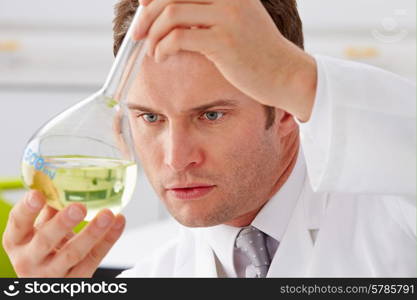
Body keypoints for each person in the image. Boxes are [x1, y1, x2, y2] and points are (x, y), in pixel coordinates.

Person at [3, 0, 415, 277]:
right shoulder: (148, 276)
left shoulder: (396, 216)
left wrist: (294, 74)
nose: (176, 159)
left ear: (287, 108)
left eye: (211, 115)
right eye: (150, 117)